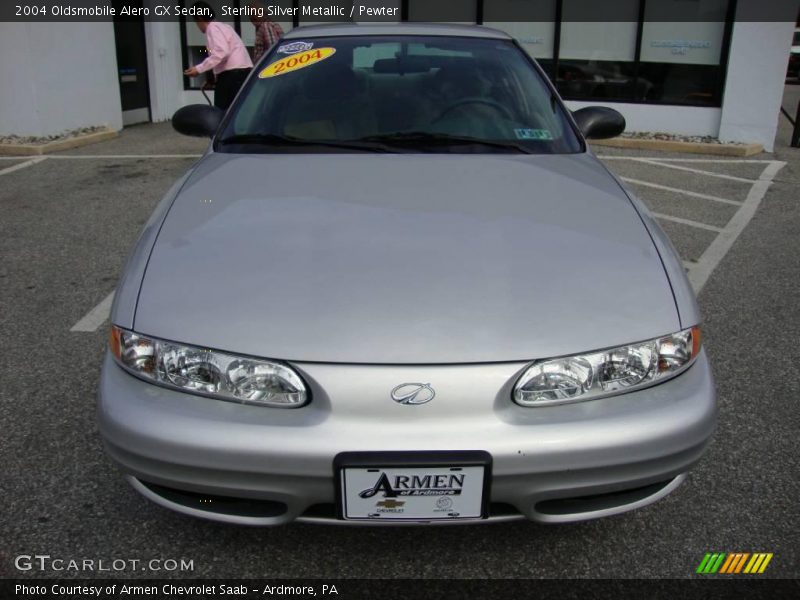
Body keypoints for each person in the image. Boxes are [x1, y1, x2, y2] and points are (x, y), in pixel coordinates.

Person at [183, 1, 253, 111]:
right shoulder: (224, 27)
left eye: (195, 21)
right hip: (242, 73)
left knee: (222, 113)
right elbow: (218, 54)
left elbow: (221, 52)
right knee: (238, 111)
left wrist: (198, 69)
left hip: (232, 75)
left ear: (200, 18)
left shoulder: (212, 28)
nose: (197, 25)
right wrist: (211, 79)